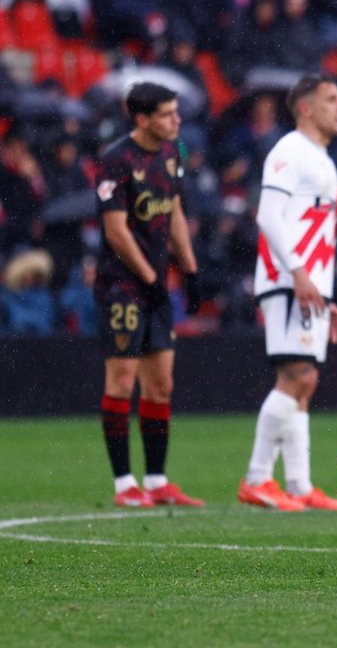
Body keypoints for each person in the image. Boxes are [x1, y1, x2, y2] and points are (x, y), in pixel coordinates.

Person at [238, 75, 337, 512]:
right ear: (305, 107)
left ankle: (300, 485)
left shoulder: (320, 158)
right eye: (331, 98)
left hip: (307, 284)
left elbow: (312, 231)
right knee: (297, 376)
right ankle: (257, 479)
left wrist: (322, 292)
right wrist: (301, 276)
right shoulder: (290, 151)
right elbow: (268, 216)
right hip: (288, 280)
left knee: (306, 382)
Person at [94, 82, 203, 507]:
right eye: (167, 114)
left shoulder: (173, 152)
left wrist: (189, 270)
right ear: (142, 119)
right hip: (121, 287)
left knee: (161, 384)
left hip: (155, 286)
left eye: (176, 112)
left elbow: (172, 207)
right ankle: (125, 484)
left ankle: (156, 480)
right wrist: (151, 280)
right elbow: (116, 231)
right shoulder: (116, 160)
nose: (177, 120)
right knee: (121, 381)